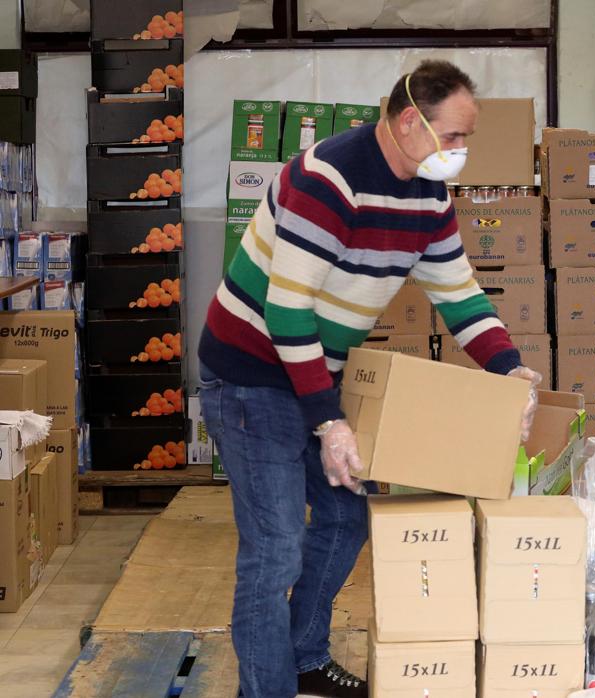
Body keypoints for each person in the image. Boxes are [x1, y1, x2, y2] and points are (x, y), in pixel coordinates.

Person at [197, 60, 541, 697]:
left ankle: (302, 660)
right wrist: (329, 422)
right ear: (411, 122)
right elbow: (287, 311)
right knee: (274, 552)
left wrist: (508, 368)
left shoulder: (428, 196)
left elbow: (458, 294)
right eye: (456, 136)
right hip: (251, 373)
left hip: (312, 374)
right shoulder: (327, 179)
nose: (462, 151)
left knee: (343, 519)